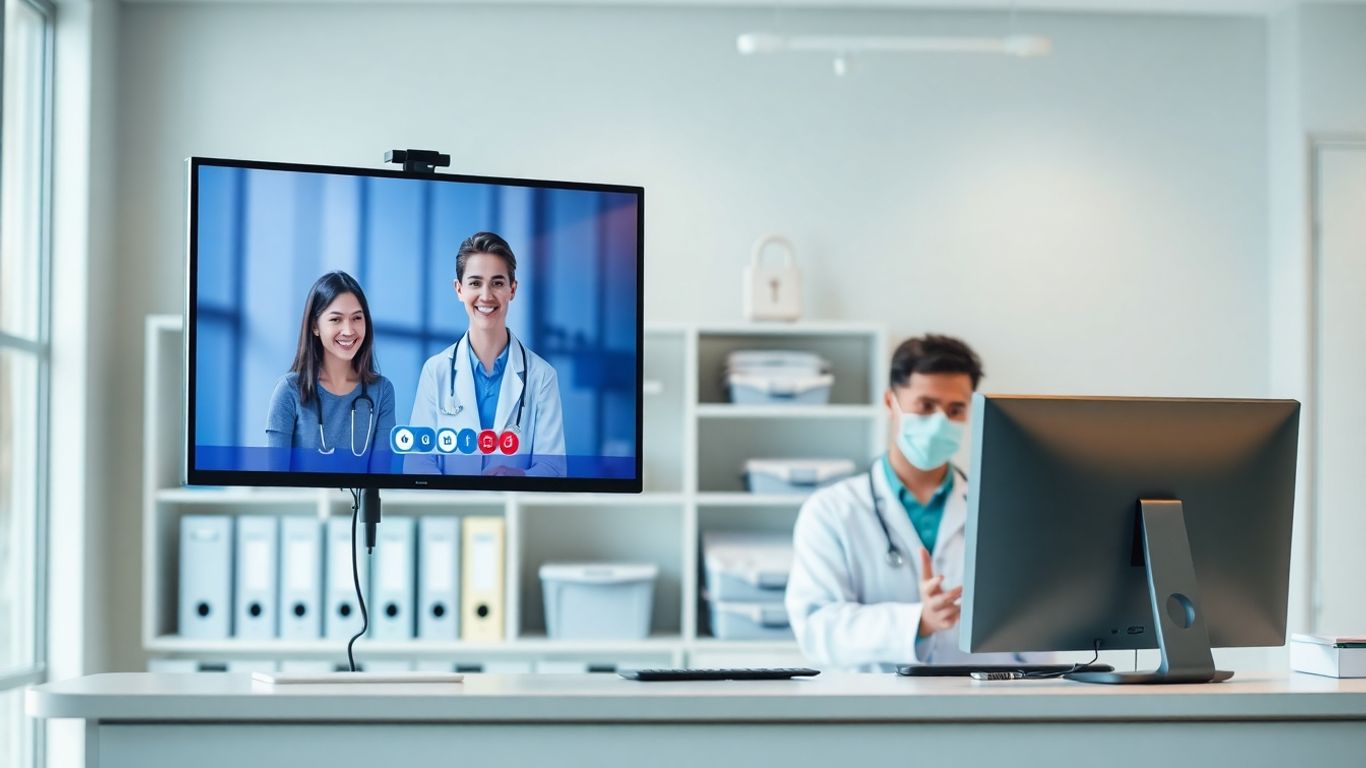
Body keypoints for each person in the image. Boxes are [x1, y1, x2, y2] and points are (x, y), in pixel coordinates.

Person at [785, 334, 1046, 672]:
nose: (940, 422)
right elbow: (817, 629)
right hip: (873, 707)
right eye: (925, 406)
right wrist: (918, 622)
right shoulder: (831, 511)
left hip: (978, 705)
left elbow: (1035, 634)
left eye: (956, 410)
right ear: (890, 403)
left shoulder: (1005, 513)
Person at [407, 232, 566, 476]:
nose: (486, 295)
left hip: (514, 509)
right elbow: (417, 464)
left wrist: (519, 477)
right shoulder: (435, 371)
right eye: (475, 283)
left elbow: (554, 469)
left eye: (498, 283)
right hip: (451, 510)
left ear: (512, 289)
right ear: (459, 289)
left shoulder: (542, 376)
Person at [266, 271, 397, 472]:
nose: (348, 330)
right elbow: (274, 483)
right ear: (315, 326)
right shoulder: (289, 390)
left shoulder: (381, 391)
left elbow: (380, 480)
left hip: (362, 505)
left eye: (357, 318)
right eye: (336, 319)